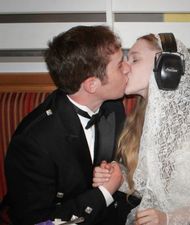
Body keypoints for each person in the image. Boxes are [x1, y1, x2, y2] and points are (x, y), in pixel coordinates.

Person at [93, 33, 190, 225]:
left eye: (135, 59)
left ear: (167, 67)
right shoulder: (139, 119)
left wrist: (170, 219)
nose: (125, 68)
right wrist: (117, 176)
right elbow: (148, 186)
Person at [4, 25, 131, 225]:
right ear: (92, 85)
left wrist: (115, 169)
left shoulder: (113, 108)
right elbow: (34, 220)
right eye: (119, 64)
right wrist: (104, 192)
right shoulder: (33, 142)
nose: (128, 68)